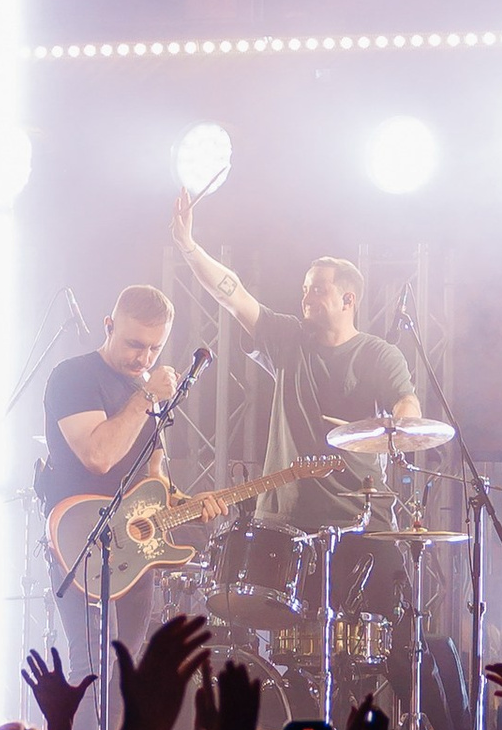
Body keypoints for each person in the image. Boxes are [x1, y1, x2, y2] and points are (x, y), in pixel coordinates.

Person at [168, 198, 418, 538]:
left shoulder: (379, 354)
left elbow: (406, 403)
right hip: (283, 520)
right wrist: (189, 247)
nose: (307, 297)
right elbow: (233, 295)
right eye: (304, 289)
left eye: (318, 289)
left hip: (357, 519)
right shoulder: (287, 338)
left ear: (348, 300)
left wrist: (397, 424)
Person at [41, 283, 178, 666]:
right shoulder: (74, 376)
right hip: (82, 541)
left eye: (155, 348)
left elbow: (155, 474)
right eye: (136, 344)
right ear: (108, 326)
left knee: (126, 669)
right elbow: (98, 456)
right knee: (93, 670)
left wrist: (185, 503)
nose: (144, 358)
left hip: (132, 547)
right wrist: (146, 397)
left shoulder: (144, 392)